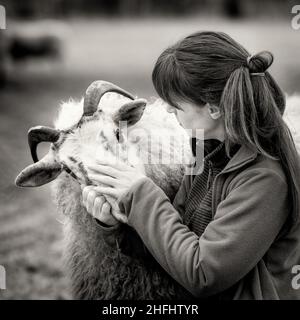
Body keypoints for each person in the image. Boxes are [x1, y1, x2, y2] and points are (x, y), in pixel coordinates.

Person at [81, 31, 300, 299]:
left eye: (175, 103)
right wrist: (115, 224)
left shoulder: (265, 179)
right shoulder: (206, 151)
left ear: (214, 109)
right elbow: (173, 249)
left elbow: (203, 275)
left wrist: (141, 194)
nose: (168, 110)